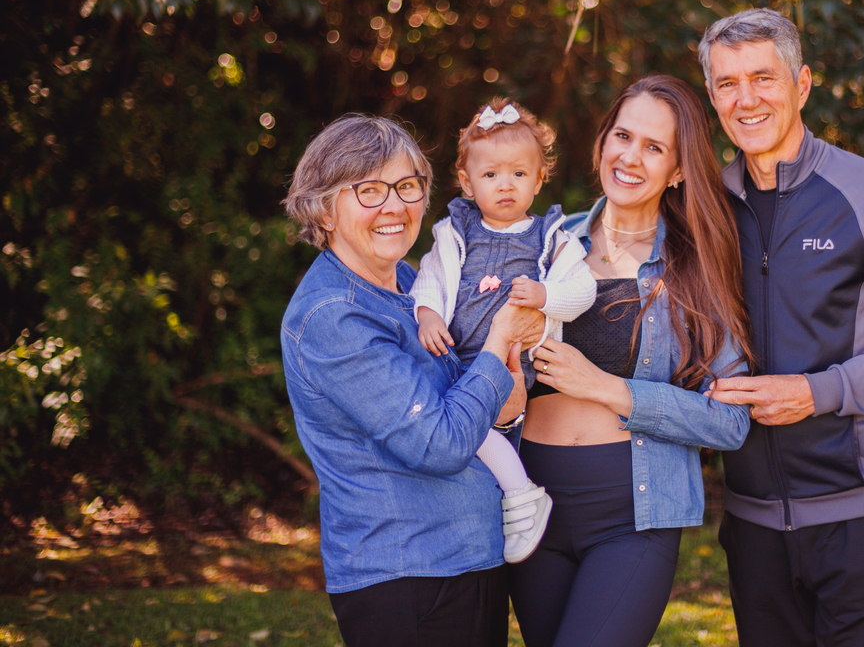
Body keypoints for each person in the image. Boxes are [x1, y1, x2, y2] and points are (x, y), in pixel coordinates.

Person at [702, 8, 864, 647]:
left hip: (861, 519)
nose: (746, 99)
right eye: (726, 83)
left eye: (763, 78)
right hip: (751, 522)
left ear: (803, 83)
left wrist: (819, 393)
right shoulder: (706, 205)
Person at [509, 75, 754, 647]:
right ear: (601, 143)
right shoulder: (545, 246)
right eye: (623, 135)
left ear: (679, 170)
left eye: (654, 147)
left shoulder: (696, 269)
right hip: (530, 507)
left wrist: (606, 388)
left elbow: (729, 422)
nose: (630, 156)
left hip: (632, 516)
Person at [280, 114, 543, 647]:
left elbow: (478, 412)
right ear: (324, 209)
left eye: (406, 186)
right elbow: (441, 442)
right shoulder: (334, 315)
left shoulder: (410, 284)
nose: (394, 206)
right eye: (370, 190)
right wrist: (500, 337)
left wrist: (507, 406)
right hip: (406, 576)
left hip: (469, 557)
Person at [411, 99, 597, 563]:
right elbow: (429, 280)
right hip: (458, 361)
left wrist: (546, 296)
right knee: (458, 428)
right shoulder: (453, 235)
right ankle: (513, 496)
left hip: (517, 362)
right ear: (468, 183)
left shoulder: (553, 238)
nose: (505, 185)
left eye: (518, 174)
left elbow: (584, 291)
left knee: (469, 429)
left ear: (538, 179)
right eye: (490, 175)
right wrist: (428, 314)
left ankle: (520, 495)